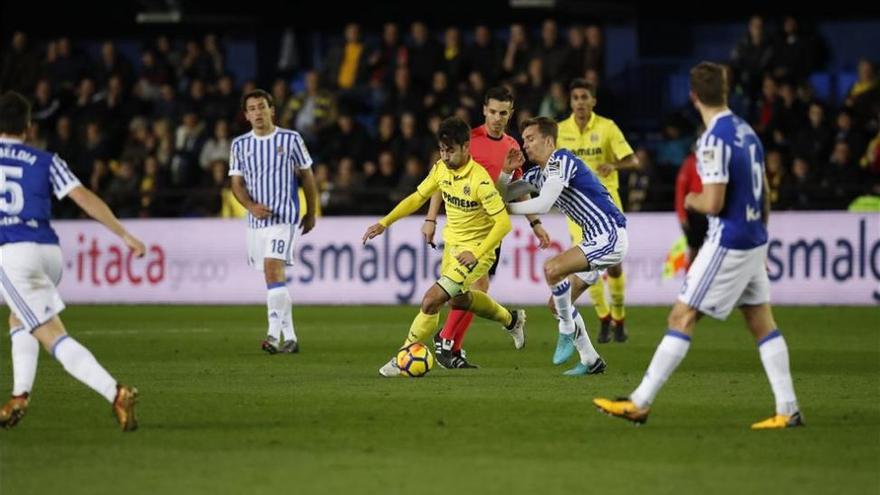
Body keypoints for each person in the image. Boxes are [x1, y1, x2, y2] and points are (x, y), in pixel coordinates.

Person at [593, 62, 803, 429]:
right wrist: (760, 237)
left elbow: (714, 203)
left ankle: (639, 402)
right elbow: (765, 193)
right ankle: (788, 409)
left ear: (693, 96)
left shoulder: (712, 140)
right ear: (725, 91)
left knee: (681, 316)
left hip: (729, 240)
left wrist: (691, 199)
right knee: (760, 321)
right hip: (753, 237)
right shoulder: (746, 131)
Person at [0, 91, 143, 431]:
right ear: (29, 126)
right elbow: (82, 196)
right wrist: (123, 234)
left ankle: (115, 391)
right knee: (19, 318)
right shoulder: (45, 160)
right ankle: (19, 395)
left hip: (13, 252)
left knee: (51, 335)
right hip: (49, 252)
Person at [362, 117, 527, 377]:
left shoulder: (480, 181)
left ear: (465, 147)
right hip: (452, 246)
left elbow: (503, 223)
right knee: (461, 299)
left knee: (431, 300)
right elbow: (418, 197)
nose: (445, 155)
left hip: (473, 253)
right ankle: (512, 320)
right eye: (442, 149)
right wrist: (385, 223)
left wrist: (477, 252)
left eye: (450, 150)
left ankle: (403, 355)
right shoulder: (441, 169)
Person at [422, 86, 549, 368]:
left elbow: (518, 189)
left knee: (477, 287)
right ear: (484, 111)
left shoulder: (512, 146)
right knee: (467, 288)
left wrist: (536, 223)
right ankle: (450, 341)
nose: (497, 118)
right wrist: (431, 217)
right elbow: (440, 178)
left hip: (491, 227)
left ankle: (453, 346)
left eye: (503, 113)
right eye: (492, 112)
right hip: (464, 225)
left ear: (510, 114)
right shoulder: (469, 140)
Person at [504, 116, 627, 376]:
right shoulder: (539, 173)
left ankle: (567, 331)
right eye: (524, 139)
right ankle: (591, 360)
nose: (525, 145)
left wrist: (506, 210)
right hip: (593, 238)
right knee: (556, 303)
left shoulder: (562, 160)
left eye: (531, 139)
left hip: (609, 234)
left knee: (552, 269)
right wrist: (506, 172)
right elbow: (502, 193)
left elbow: (543, 204)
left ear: (548, 140)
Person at [229, 89, 318, 354]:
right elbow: (236, 184)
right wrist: (250, 206)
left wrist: (311, 212)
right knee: (274, 279)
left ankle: (273, 335)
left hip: (284, 218)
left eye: (262, 107)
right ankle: (290, 337)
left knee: (272, 269)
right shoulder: (239, 145)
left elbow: (308, 177)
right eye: (252, 108)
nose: (257, 112)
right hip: (256, 224)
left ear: (272, 110)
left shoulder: (291, 139)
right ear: (246, 115)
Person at [557, 78, 639, 344]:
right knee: (584, 266)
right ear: (570, 103)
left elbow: (633, 160)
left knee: (613, 267)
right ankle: (604, 320)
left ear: (593, 101)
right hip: (577, 209)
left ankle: (620, 318)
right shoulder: (560, 131)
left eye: (584, 97)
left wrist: (614, 165)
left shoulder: (607, 127)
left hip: (607, 206)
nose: (580, 102)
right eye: (575, 98)